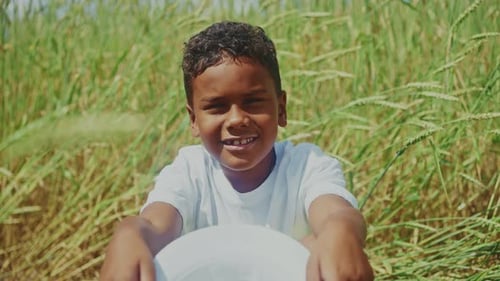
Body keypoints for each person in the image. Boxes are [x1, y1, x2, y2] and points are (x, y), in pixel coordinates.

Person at [100, 21, 373, 281]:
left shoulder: (307, 166)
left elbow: (337, 214)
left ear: (281, 108)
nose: (236, 120)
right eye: (217, 107)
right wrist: (129, 233)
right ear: (193, 119)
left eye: (253, 102)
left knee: (322, 244)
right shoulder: (189, 171)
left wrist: (341, 231)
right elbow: (154, 226)